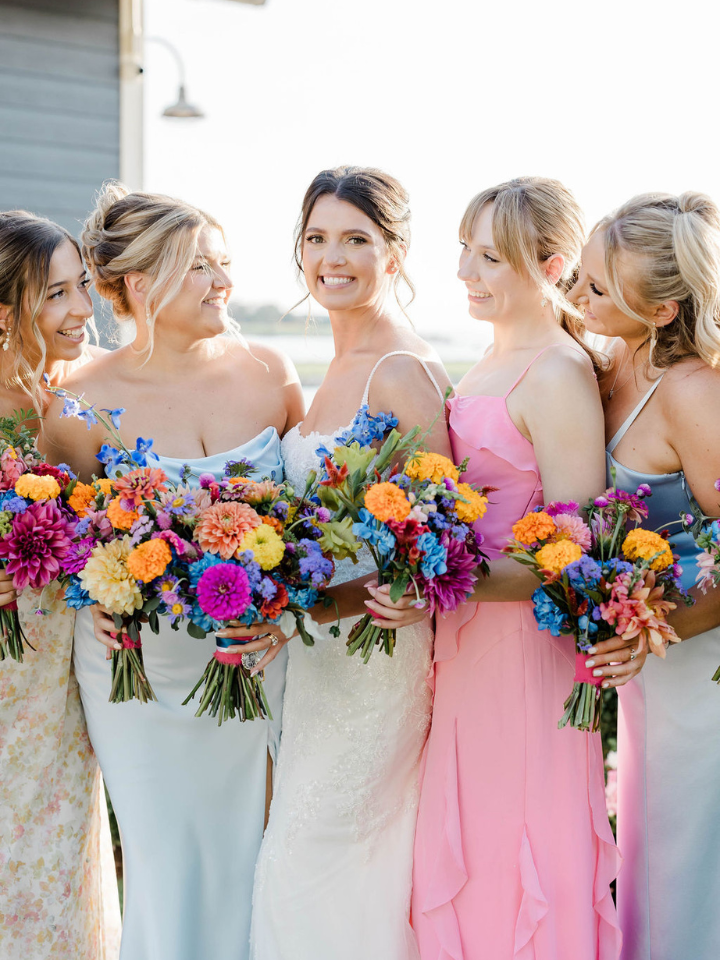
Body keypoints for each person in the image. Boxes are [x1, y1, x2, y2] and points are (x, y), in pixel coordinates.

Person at [42, 183, 303, 960]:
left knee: (258, 860)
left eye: (224, 263)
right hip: (137, 677)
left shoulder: (270, 370)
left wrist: (289, 605)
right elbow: (67, 539)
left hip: (255, 661)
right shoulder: (77, 402)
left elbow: (308, 521)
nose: (224, 281)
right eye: (200, 266)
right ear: (139, 283)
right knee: (165, 864)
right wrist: (96, 586)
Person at [409, 178, 622, 960]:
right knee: (474, 845)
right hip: (464, 643)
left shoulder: (558, 373)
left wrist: (431, 578)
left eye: (489, 257)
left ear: (552, 266)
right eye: (464, 249)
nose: (465, 270)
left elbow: (574, 550)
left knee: (519, 837)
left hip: (524, 648)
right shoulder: (493, 356)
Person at [247, 166, 451, 960]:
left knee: (316, 855)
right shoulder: (332, 367)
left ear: (393, 253)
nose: (332, 258)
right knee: (306, 855)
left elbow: (435, 548)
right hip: (312, 660)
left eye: (356, 239)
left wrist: (302, 609)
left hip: (373, 659)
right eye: (316, 238)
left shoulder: (399, 371)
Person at [569, 192, 720, 960]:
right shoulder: (614, 361)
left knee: (683, 866)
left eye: (596, 288)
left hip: (696, 665)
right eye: (579, 274)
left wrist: (652, 629)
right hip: (649, 669)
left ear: (662, 311)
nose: (576, 296)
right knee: (651, 857)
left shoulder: (692, 392)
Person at [0, 211, 120, 959]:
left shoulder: (84, 403)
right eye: (57, 294)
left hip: (55, 689)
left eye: (83, 286)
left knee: (51, 870)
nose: (83, 309)